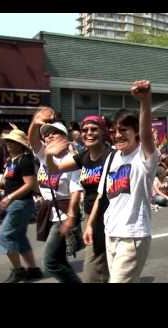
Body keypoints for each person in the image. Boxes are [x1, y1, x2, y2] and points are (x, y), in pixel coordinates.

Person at [83, 81, 158, 283]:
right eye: (115, 131)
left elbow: (146, 133)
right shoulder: (112, 158)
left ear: (136, 133)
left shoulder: (144, 156)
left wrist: (145, 101)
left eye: (124, 130)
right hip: (111, 232)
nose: (117, 135)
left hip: (132, 235)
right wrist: (90, 225)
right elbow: (101, 196)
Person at [43, 115, 112, 283]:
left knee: (93, 273)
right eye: (85, 130)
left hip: (109, 217)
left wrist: (85, 222)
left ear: (103, 132)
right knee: (103, 269)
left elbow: (103, 195)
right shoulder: (83, 156)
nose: (89, 133)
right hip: (91, 218)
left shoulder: (112, 156)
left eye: (94, 129)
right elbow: (55, 170)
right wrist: (49, 155)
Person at [0, 127, 43, 282]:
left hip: (21, 203)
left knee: (4, 236)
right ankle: (33, 269)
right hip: (16, 203)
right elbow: (5, 185)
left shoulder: (25, 160)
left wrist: (9, 197)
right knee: (19, 237)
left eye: (12, 142)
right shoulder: (11, 161)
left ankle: (18, 270)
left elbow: (30, 184)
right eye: (7, 141)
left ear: (20, 144)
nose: (9, 144)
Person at [28, 107, 84, 283]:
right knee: (60, 260)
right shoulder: (45, 156)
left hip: (64, 212)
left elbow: (75, 191)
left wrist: (70, 218)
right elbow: (32, 140)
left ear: (65, 137)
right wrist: (36, 123)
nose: (49, 136)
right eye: (46, 134)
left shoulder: (73, 159)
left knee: (50, 262)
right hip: (49, 211)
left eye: (54, 133)